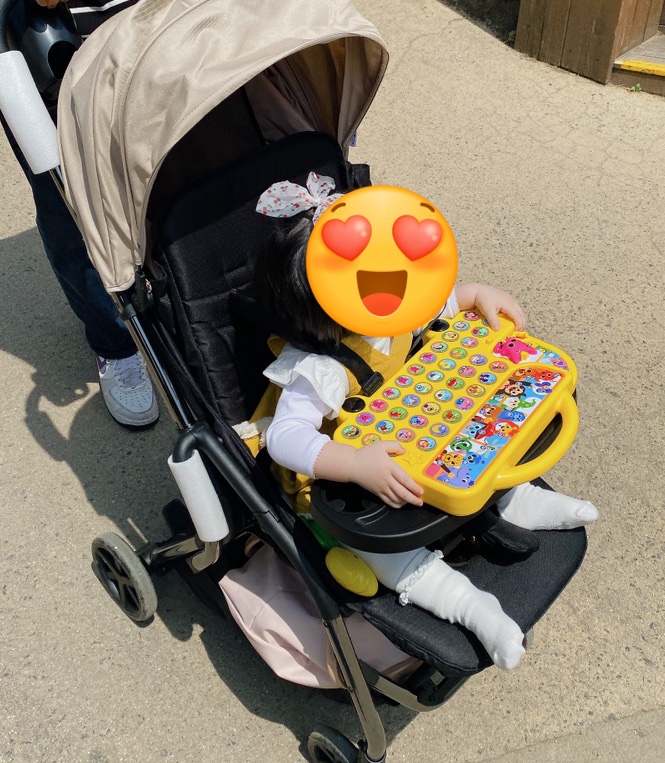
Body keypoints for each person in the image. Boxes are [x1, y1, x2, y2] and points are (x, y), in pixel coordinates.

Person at [249, 177, 598, 670]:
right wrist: (354, 464)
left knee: (482, 440)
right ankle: (471, 607)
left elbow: (446, 302)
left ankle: (519, 499)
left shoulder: (394, 309)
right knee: (384, 557)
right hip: (347, 480)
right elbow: (285, 438)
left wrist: (479, 294)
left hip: (420, 427)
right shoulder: (318, 369)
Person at [0, 0, 157, 427]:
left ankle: (181, 306)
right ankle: (114, 343)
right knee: (69, 207)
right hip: (40, 35)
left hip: (146, 22)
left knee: (164, 174)